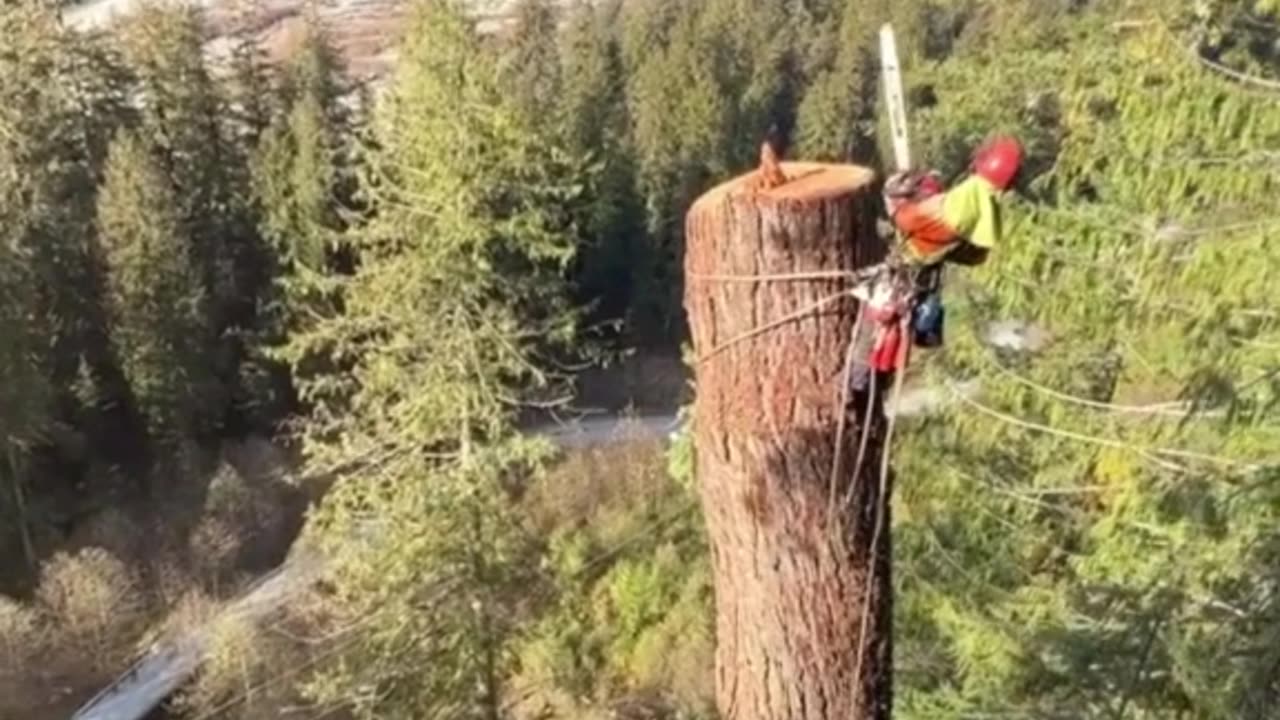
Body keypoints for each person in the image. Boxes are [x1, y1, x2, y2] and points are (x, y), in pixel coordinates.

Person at [845, 136, 1024, 411]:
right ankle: (866, 394)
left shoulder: (963, 204)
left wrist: (899, 204)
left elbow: (911, 220)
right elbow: (972, 254)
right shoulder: (982, 204)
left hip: (902, 279)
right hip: (921, 283)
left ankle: (852, 393)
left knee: (871, 340)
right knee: (887, 346)